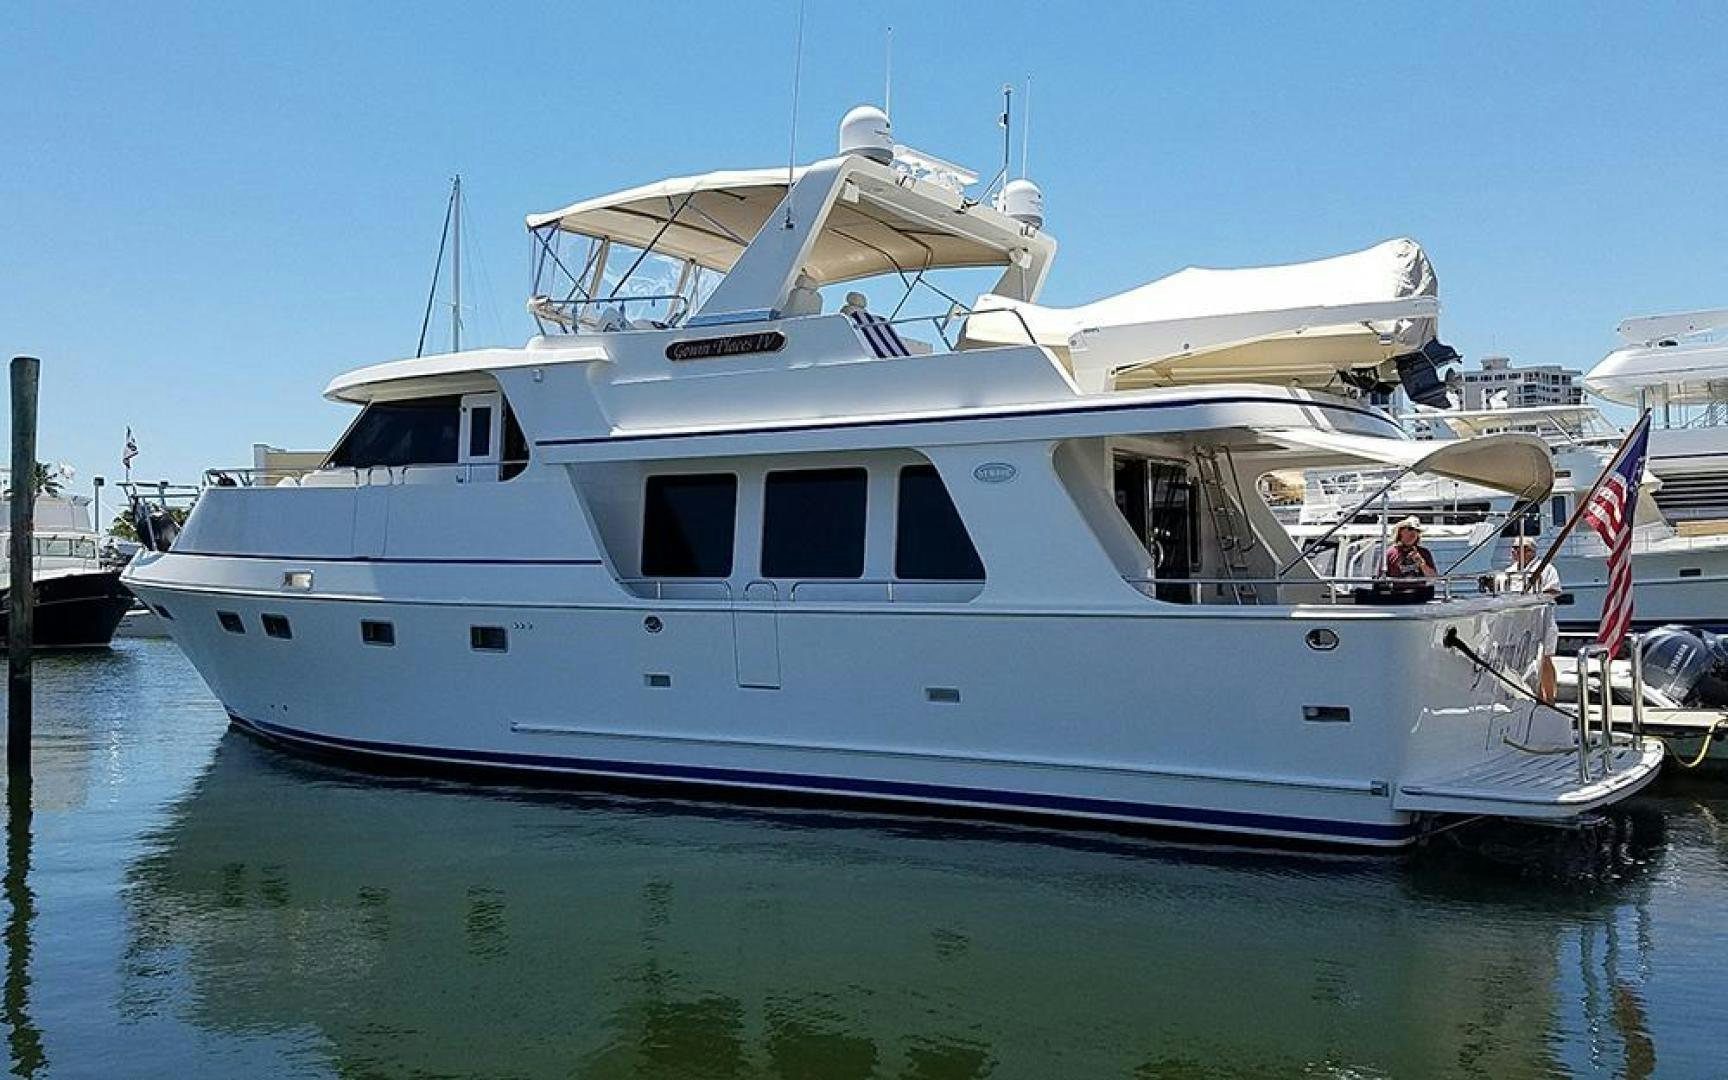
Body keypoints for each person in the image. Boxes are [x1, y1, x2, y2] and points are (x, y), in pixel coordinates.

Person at [1503, 536, 1562, 703]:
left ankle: (1550, 699)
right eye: (1513, 548)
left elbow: (1554, 591)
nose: (1513, 551)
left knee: (1545, 659)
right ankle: (1531, 697)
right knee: (1523, 660)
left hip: (1542, 618)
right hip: (1519, 621)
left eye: (1517, 548)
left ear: (1529, 551)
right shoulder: (1509, 572)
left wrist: (1532, 597)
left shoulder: (1546, 568)